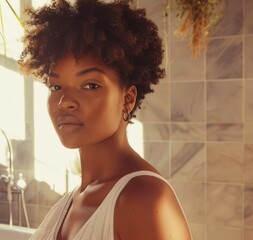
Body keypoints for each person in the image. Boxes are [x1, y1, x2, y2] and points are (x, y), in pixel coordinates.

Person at [18, 0, 192, 239]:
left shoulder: (144, 198)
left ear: (127, 99)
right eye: (56, 86)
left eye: (90, 85)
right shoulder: (72, 200)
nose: (64, 101)